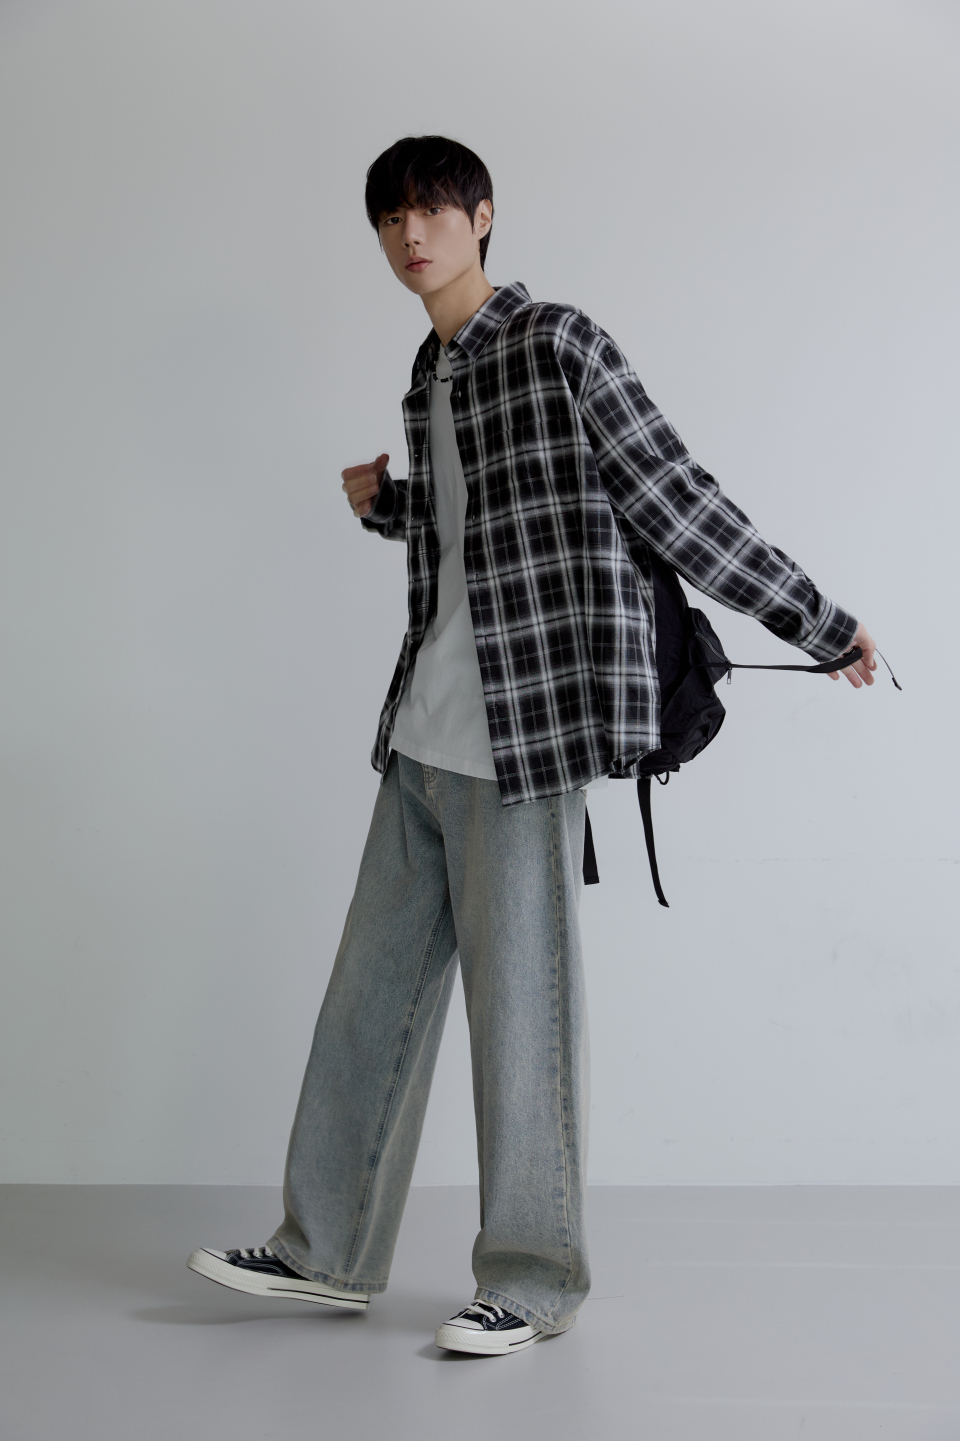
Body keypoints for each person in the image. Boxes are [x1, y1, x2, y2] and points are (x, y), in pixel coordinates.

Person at [187, 134, 877, 1356]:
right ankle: (324, 1250)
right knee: (367, 1006)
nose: (411, 235)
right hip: (422, 734)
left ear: (484, 215)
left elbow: (674, 495)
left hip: (525, 739)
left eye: (432, 210)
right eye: (391, 218)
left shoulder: (559, 341)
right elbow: (488, 532)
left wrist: (819, 622)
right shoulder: (431, 369)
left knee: (524, 1020)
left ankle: (533, 1280)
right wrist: (393, 506)